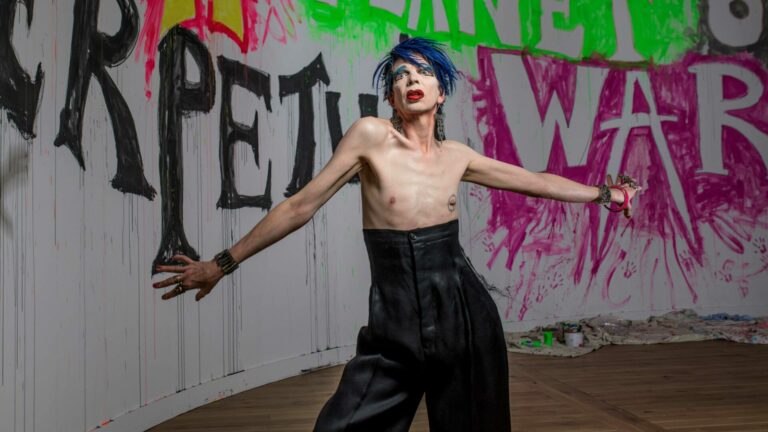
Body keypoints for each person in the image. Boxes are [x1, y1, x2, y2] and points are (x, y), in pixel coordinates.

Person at [152, 37, 640, 431]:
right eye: (400, 74)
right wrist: (221, 263)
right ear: (390, 97)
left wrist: (606, 195)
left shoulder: (458, 157)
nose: (411, 79)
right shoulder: (370, 137)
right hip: (395, 321)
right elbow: (301, 206)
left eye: (423, 71)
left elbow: (536, 182)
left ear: (440, 91)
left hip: (462, 316)